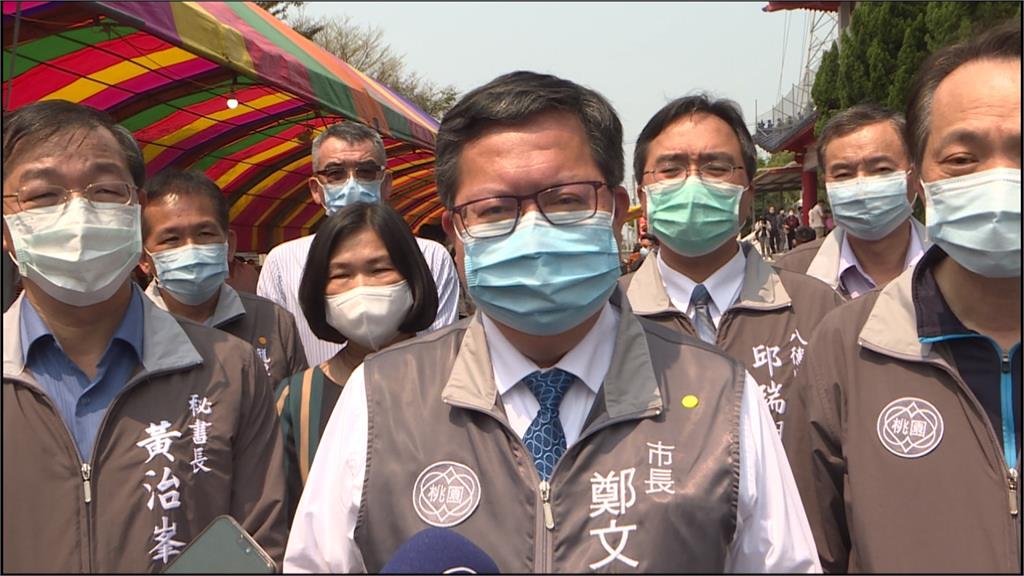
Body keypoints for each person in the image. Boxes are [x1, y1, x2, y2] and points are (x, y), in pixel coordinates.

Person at [285, 71, 820, 573]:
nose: (533, 230)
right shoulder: (379, 400)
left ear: (616, 210)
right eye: (495, 209)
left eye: (565, 200)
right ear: (456, 232)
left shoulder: (721, 398)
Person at [1, 100, 288, 572]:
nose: (79, 214)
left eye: (105, 190)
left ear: (136, 210)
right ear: (6, 229)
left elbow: (258, 543)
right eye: (43, 194)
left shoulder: (229, 369)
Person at [783, 21, 1021, 573]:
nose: (999, 180)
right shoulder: (846, 347)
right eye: (962, 159)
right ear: (924, 178)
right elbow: (807, 552)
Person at [624, 94, 843, 434]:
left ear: (748, 192)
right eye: (670, 170)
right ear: (642, 196)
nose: (693, 184)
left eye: (716, 168)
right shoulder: (607, 315)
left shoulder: (818, 308)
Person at [275, 201, 438, 521]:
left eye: (379, 270)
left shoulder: (459, 380)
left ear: (412, 276)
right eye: (341, 274)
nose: (361, 287)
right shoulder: (297, 399)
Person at [257, 121, 459, 366]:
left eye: (366, 172)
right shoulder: (281, 262)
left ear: (386, 183)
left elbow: (440, 350)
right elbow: (275, 356)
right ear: (316, 189)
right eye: (335, 174)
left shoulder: (431, 256)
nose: (351, 184)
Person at [139, 169, 307, 385]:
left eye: (205, 234)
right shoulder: (127, 330)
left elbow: (300, 401)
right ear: (143, 258)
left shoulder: (273, 321)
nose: (191, 249)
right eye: (171, 239)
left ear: (230, 245)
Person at [775, 105, 930, 300]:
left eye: (881, 169)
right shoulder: (788, 275)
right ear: (826, 183)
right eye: (843, 174)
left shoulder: (954, 262)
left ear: (915, 175)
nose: (862, 186)